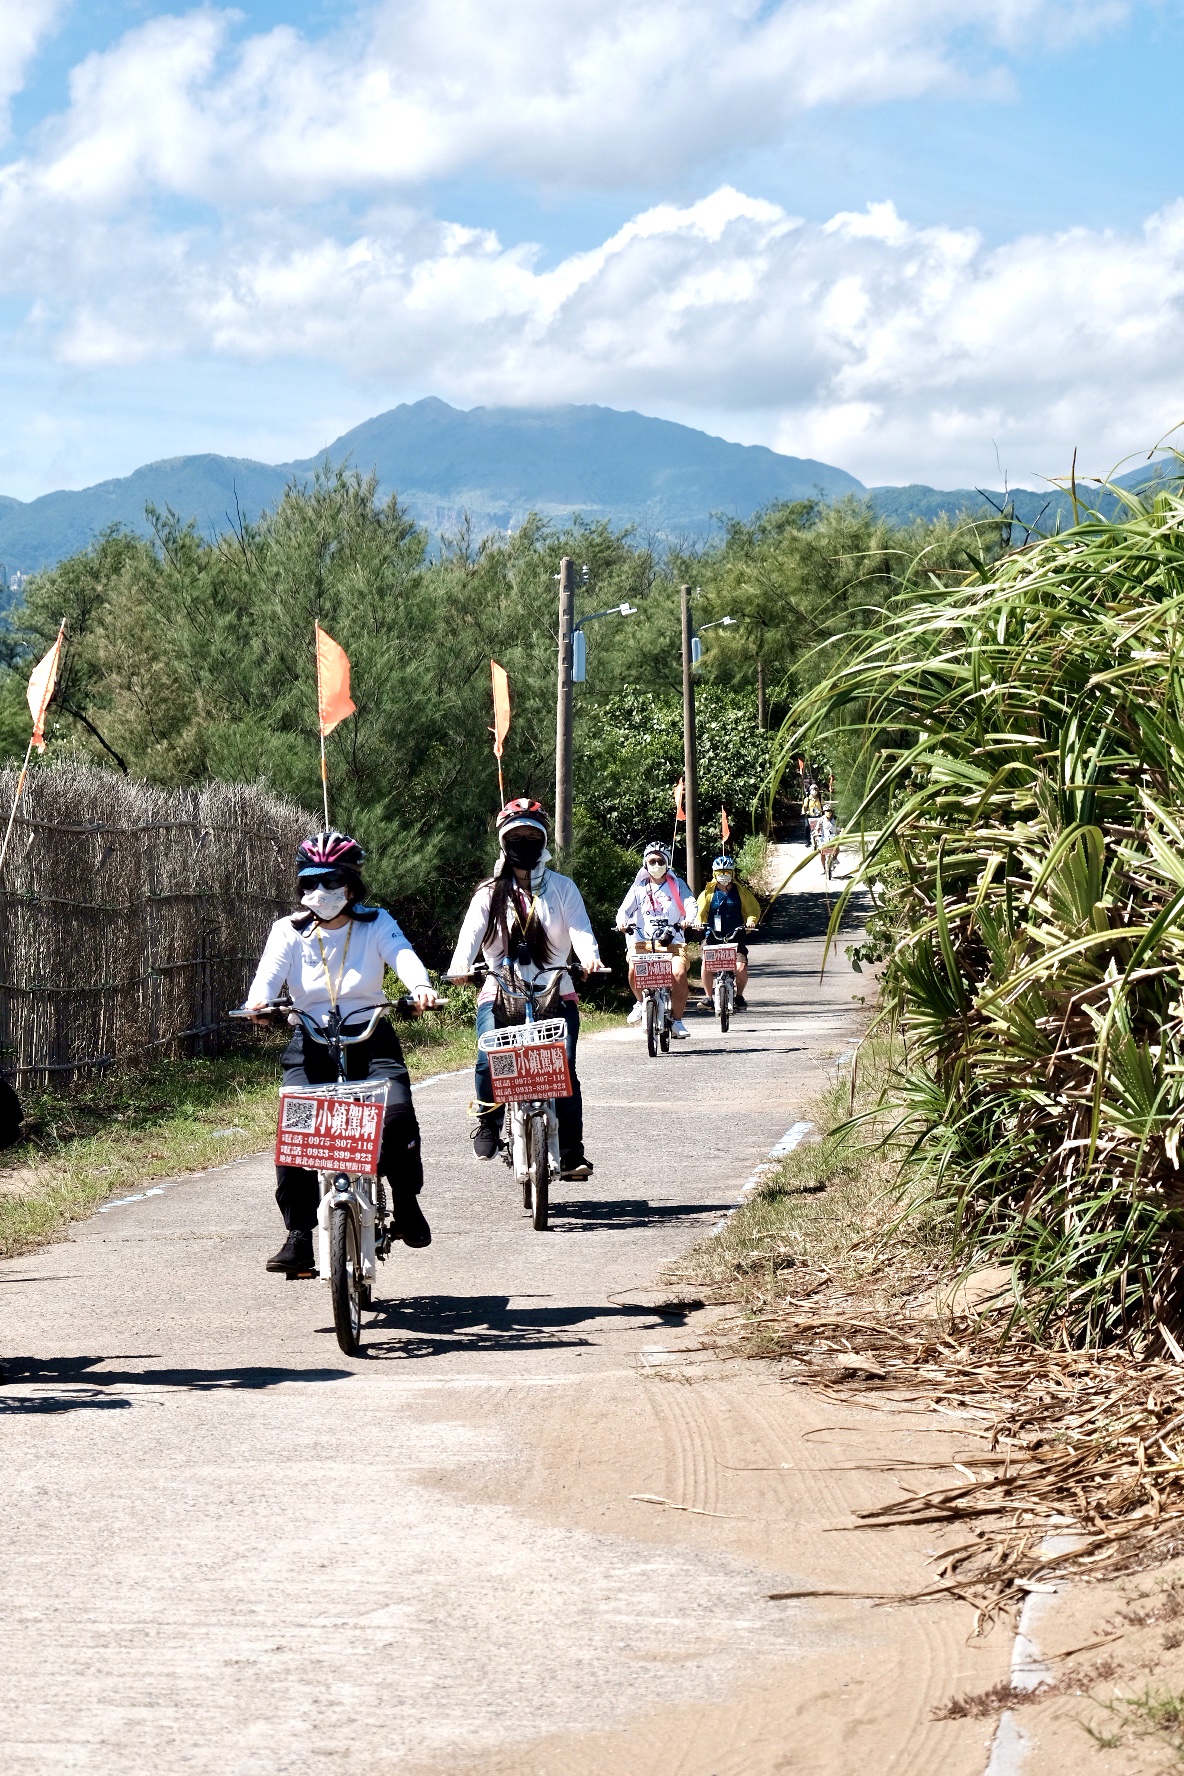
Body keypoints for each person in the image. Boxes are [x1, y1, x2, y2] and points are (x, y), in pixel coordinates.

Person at [246, 830, 440, 1277]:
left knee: (396, 1118)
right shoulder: (287, 931)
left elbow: (402, 954)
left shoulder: (375, 922)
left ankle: (406, 1202)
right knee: (295, 1134)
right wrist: (259, 1004)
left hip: (370, 1039)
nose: (322, 892)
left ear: (351, 886)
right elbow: (268, 976)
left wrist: (421, 988)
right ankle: (298, 1237)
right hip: (310, 1043)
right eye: (311, 882)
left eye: (333, 882)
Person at [448, 798, 606, 1178]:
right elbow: (469, 936)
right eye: (515, 836)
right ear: (503, 842)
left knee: (563, 1067)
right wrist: (459, 966)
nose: (524, 842)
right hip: (500, 992)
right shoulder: (489, 892)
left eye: (531, 835)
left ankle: (570, 1151)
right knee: (489, 1060)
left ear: (543, 839)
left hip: (556, 989)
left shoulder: (563, 888)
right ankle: (488, 1121)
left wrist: (591, 958)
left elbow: (581, 931)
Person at [616, 840, 693, 1038]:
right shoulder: (638, 887)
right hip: (642, 941)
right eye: (652, 861)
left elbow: (691, 904)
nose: (656, 865)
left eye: (660, 861)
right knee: (634, 968)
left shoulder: (677, 885)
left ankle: (676, 1020)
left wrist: (689, 920)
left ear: (667, 862)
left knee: (678, 974)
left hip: (672, 941)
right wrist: (622, 923)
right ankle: (641, 1002)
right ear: (645, 864)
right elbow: (624, 910)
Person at [693, 855, 761, 1010]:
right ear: (714, 873)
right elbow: (699, 911)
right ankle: (709, 997)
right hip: (713, 936)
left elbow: (753, 909)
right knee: (706, 965)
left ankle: (739, 996)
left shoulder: (742, 892)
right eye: (720, 872)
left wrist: (751, 921)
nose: (724, 875)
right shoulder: (707, 894)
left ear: (733, 873)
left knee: (741, 967)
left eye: (727, 871)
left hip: (735, 936)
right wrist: (698, 921)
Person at [818, 803, 840, 880]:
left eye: (830, 811)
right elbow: (818, 828)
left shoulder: (836, 819)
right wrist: (817, 832)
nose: (828, 813)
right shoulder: (821, 820)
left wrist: (842, 831)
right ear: (824, 812)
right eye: (827, 811)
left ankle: (835, 858)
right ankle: (824, 868)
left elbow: (840, 827)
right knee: (821, 853)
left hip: (833, 837)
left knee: (837, 848)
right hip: (824, 838)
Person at [803, 781, 824, 849]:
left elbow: (823, 806)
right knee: (806, 827)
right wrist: (804, 812)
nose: (814, 791)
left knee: (822, 826)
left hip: (819, 816)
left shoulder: (820, 799)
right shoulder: (807, 799)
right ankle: (807, 841)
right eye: (812, 789)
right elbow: (804, 807)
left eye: (815, 789)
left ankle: (823, 839)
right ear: (810, 791)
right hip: (810, 816)